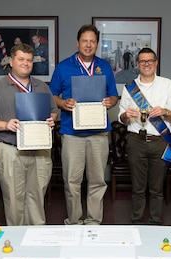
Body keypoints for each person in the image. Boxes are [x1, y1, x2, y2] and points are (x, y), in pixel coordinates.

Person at [0, 43, 58, 226]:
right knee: (14, 199)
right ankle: (15, 240)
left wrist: (51, 120)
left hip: (39, 150)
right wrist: (5, 124)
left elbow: (54, 111)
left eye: (29, 60)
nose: (26, 63)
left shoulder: (41, 86)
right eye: (21, 59)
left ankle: (37, 238)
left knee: (37, 196)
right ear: (11, 61)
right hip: (10, 150)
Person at [49, 24, 118, 225]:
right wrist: (63, 103)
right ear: (78, 42)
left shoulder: (104, 66)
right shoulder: (63, 67)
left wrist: (110, 102)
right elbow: (52, 95)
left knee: (97, 180)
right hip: (71, 132)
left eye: (92, 41)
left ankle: (94, 221)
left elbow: (113, 95)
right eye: (84, 41)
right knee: (72, 181)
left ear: (97, 44)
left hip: (99, 132)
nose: (88, 45)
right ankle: (75, 220)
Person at [118, 47, 171, 225]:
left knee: (156, 188)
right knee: (137, 187)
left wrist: (164, 111)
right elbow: (122, 118)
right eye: (143, 61)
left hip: (160, 141)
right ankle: (136, 221)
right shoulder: (129, 87)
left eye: (150, 61)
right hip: (136, 141)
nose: (146, 64)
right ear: (137, 64)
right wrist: (126, 115)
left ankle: (155, 221)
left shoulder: (167, 84)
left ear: (156, 63)